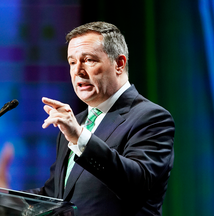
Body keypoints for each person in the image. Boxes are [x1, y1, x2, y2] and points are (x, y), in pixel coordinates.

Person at [29, 21, 175, 216]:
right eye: (72, 62)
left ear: (119, 64)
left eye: (88, 60)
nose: (78, 71)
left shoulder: (151, 117)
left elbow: (138, 185)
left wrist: (80, 138)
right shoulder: (75, 123)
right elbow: (55, 197)